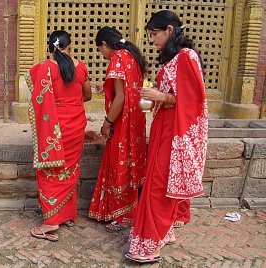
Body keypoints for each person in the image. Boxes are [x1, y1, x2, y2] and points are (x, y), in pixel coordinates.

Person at [126, 10, 208, 263]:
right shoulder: (172, 58)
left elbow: (194, 100)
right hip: (165, 127)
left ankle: (151, 243)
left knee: (160, 186)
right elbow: (171, 96)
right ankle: (164, 230)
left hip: (178, 132)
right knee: (156, 182)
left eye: (155, 34)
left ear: (170, 30)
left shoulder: (187, 56)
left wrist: (162, 97)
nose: (152, 40)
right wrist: (155, 99)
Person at [26, 30, 91, 241]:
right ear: (70, 46)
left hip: (56, 127)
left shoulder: (47, 67)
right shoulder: (81, 68)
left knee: (49, 170)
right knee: (70, 169)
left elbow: (35, 89)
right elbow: (87, 95)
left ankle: (50, 222)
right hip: (77, 124)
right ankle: (67, 215)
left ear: (50, 48)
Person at [88, 26, 147, 232]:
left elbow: (120, 98)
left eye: (100, 50)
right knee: (132, 163)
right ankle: (131, 210)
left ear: (105, 44)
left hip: (123, 122)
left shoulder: (118, 58)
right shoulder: (131, 55)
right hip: (136, 120)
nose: (102, 55)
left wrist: (107, 122)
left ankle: (122, 215)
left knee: (119, 163)